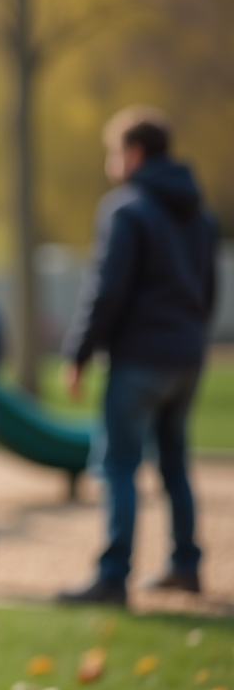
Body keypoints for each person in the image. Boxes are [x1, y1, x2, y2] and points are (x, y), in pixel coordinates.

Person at [57, 106, 220, 606]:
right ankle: (186, 566)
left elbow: (106, 292)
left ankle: (112, 577)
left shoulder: (124, 208)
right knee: (174, 462)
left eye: (113, 154)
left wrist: (79, 352)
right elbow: (210, 290)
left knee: (118, 464)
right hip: (187, 359)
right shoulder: (201, 216)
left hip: (139, 360)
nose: (111, 164)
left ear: (133, 154)